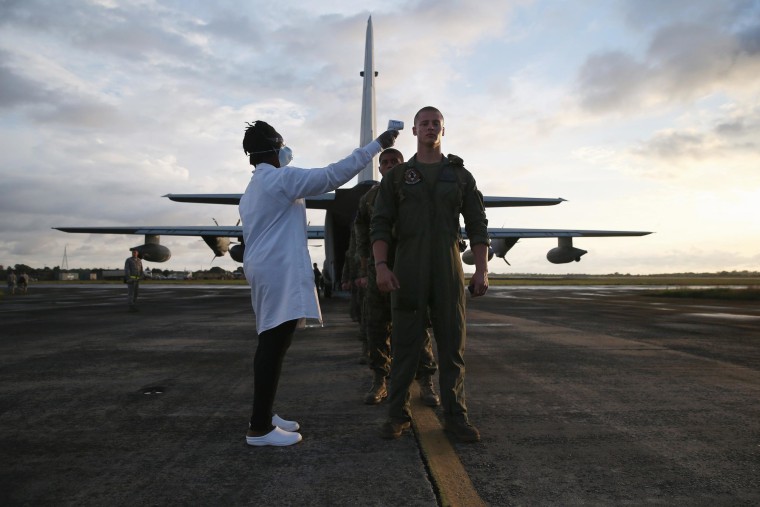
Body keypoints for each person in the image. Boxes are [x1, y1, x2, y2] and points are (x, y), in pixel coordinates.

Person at [239, 120, 398, 447]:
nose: (286, 150)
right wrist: (376, 145)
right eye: (281, 144)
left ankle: (265, 414)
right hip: (277, 272)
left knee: (273, 343)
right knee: (273, 345)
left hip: (264, 271)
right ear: (271, 149)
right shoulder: (280, 180)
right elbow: (332, 175)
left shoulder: (254, 188)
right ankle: (259, 428)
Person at [370, 106, 489, 443]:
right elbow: (379, 224)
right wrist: (381, 266)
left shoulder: (460, 176)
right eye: (424, 123)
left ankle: (456, 417)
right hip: (408, 267)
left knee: (452, 347)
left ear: (443, 130)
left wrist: (481, 269)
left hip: (449, 268)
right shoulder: (397, 176)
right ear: (414, 130)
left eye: (436, 123)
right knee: (406, 347)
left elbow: (478, 225)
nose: (430, 127)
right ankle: (397, 416)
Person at [354, 148, 440, 406]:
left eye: (395, 162)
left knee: (418, 327)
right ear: (379, 169)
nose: (390, 165)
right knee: (377, 327)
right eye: (385, 162)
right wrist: (366, 266)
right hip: (379, 271)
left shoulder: (418, 192)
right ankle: (380, 380)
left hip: (412, 270)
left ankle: (425, 381)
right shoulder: (369, 198)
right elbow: (361, 231)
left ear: (404, 165)